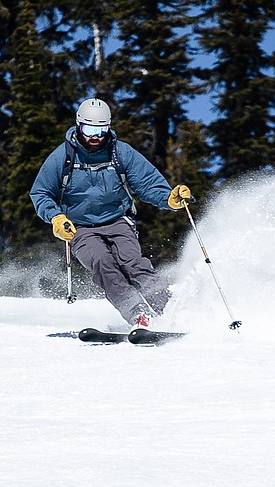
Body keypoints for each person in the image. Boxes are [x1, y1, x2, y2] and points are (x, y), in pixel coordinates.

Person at [30, 97, 192, 327]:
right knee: (102, 262)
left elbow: (147, 183)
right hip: (80, 227)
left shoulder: (121, 153)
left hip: (118, 221)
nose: (95, 136)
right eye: (89, 129)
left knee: (133, 262)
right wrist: (56, 217)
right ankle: (138, 314)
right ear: (78, 125)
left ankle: (169, 310)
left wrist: (169, 198)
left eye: (101, 129)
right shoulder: (63, 157)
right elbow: (41, 193)